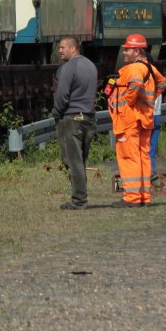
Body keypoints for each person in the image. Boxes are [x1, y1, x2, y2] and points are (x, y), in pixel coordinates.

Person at [107, 34, 166, 207]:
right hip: (144, 119)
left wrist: (130, 101)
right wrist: (149, 99)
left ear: (138, 51)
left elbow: (136, 83)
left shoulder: (133, 69)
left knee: (128, 157)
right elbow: (162, 84)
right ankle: (144, 196)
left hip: (129, 120)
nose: (124, 52)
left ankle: (131, 198)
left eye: (128, 49)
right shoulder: (150, 68)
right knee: (143, 157)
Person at [53, 36, 98, 210]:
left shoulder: (68, 68)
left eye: (62, 47)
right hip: (89, 118)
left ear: (73, 48)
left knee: (73, 161)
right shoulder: (91, 66)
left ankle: (79, 200)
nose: (59, 50)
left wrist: (57, 114)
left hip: (71, 119)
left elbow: (62, 95)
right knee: (81, 160)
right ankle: (81, 195)